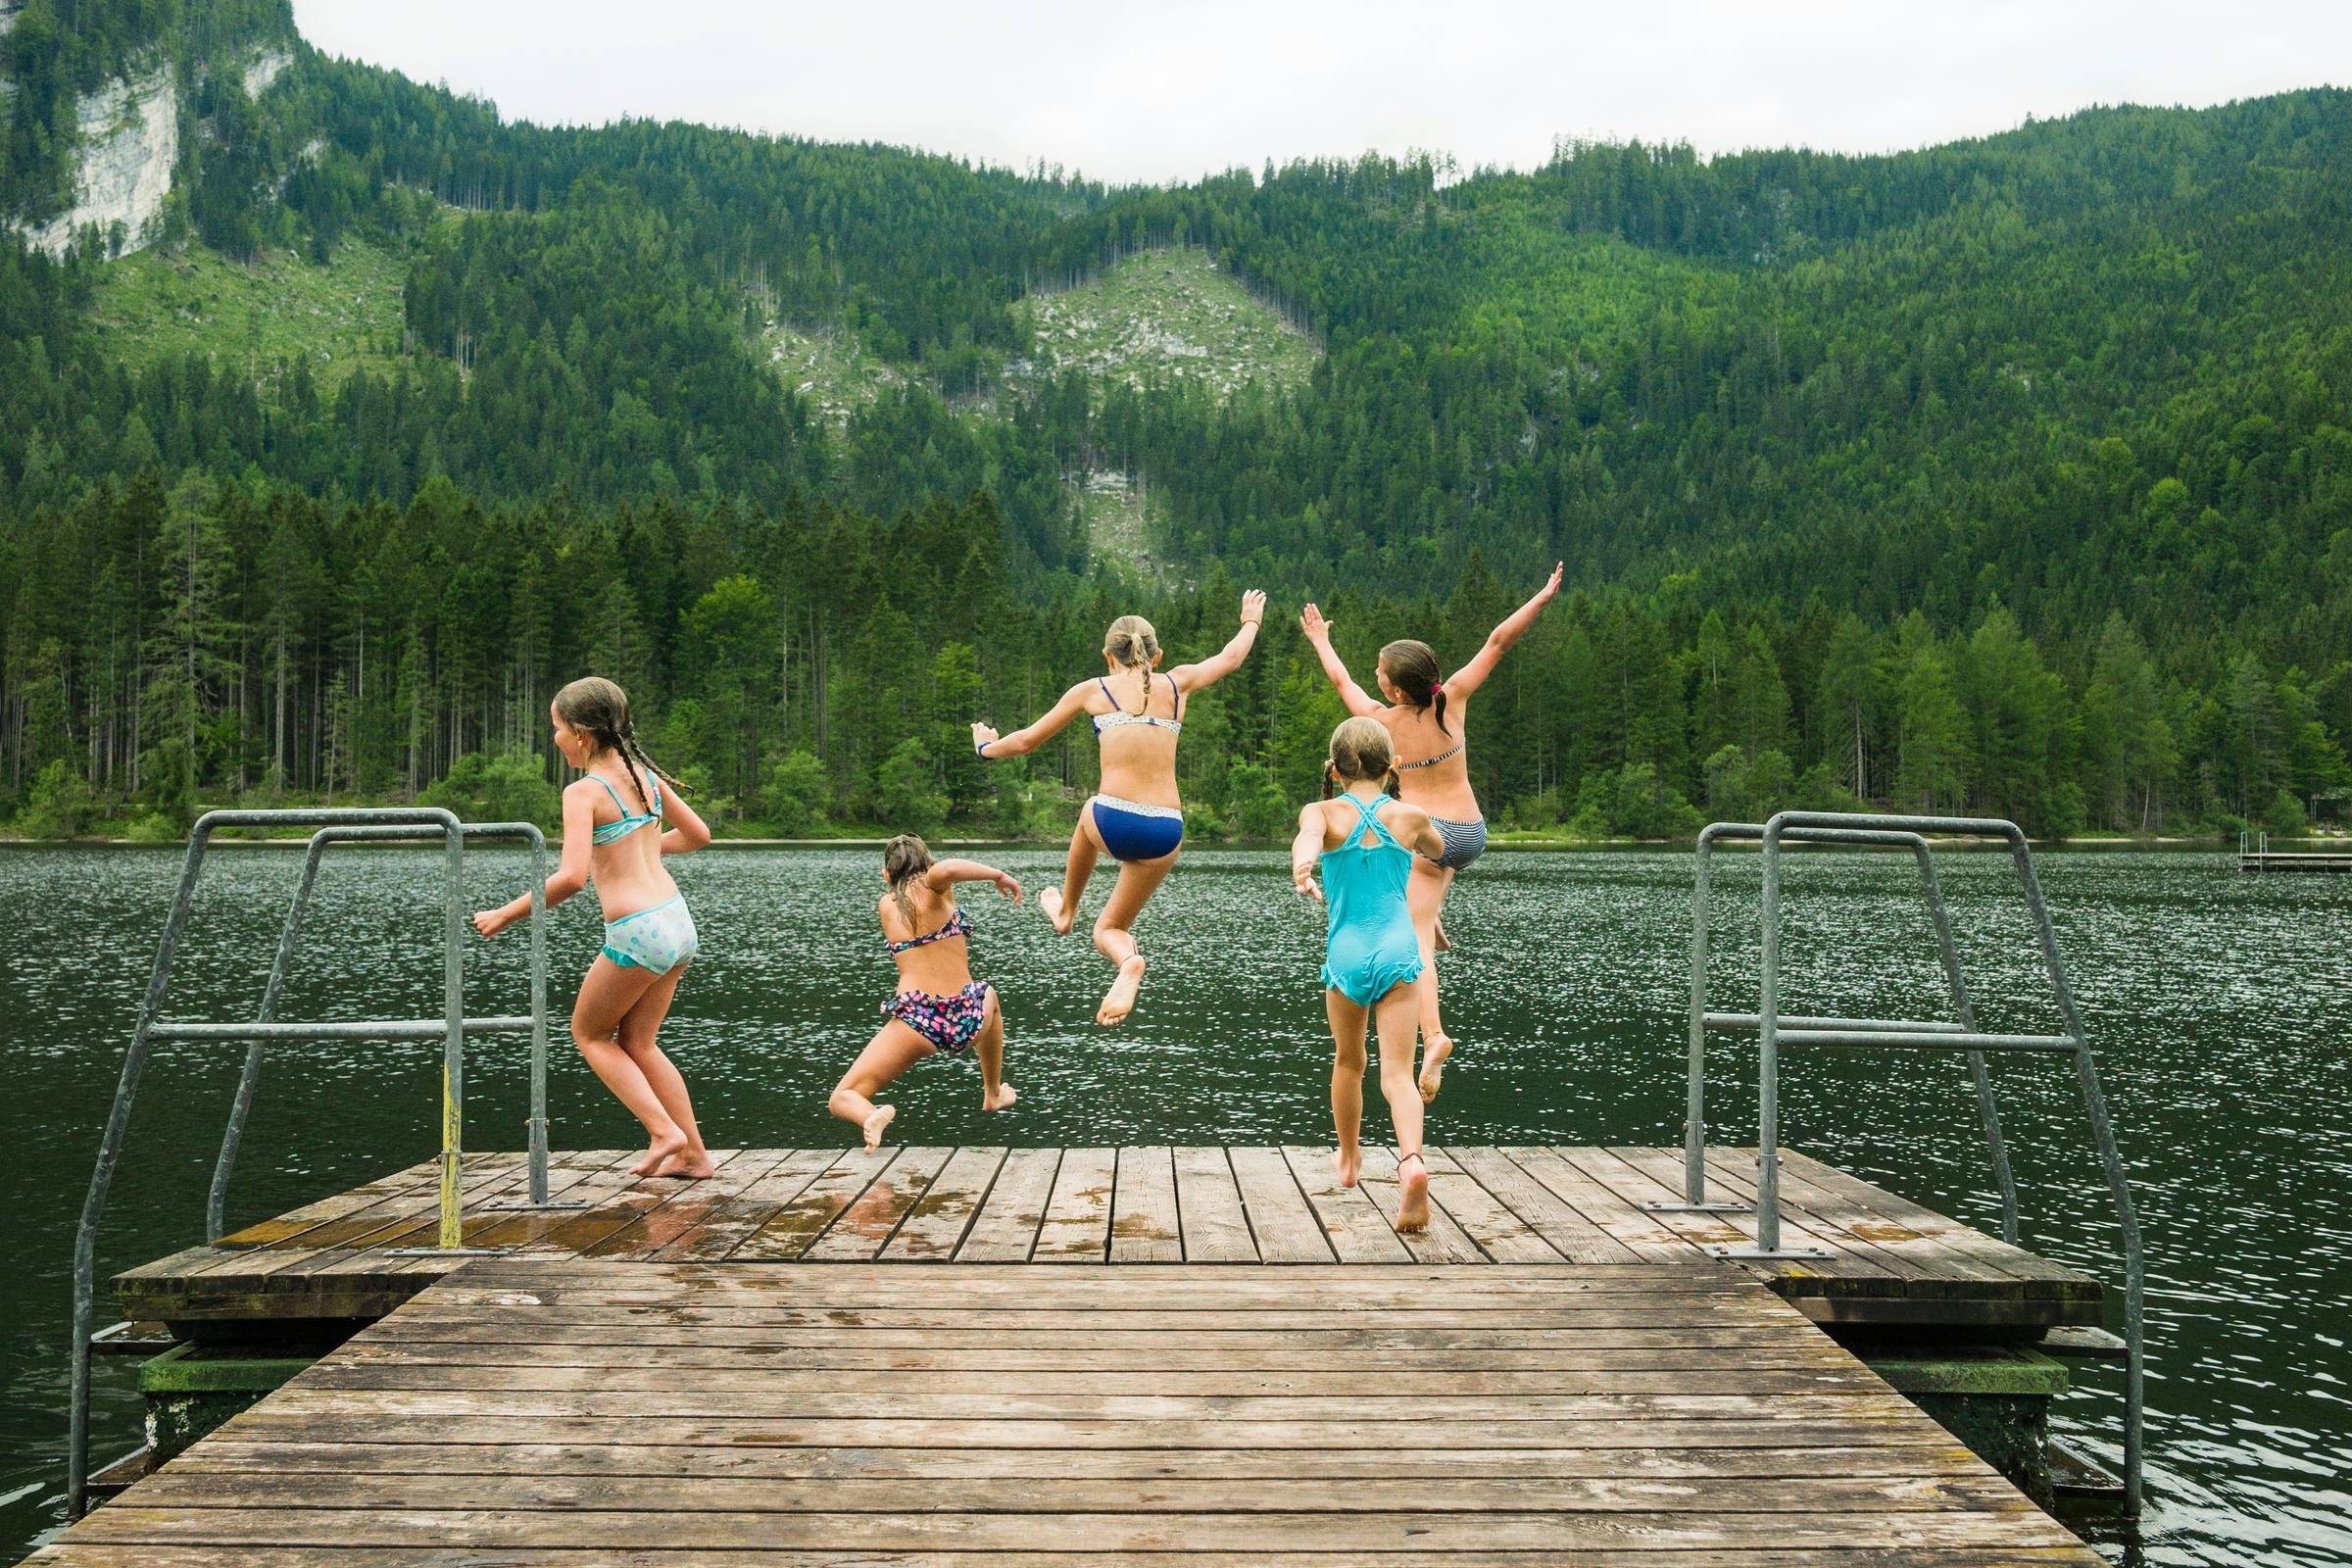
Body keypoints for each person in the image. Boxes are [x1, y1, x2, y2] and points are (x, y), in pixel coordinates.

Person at [1298, 562, 1562, 1100]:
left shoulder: (1381, 722)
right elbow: (1497, 642)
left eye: (1381, 672)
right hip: (1471, 833)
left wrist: (1321, 639)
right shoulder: (1452, 699)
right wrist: (1540, 597)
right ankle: (1433, 913)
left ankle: (1435, 1036)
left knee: (1412, 937)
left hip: (1427, 836)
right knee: (1429, 892)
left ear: (1395, 690)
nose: (1374, 676)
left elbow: (1339, 680)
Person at [971, 590, 1267, 1025]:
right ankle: (1129, 960)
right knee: (1109, 929)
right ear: (1157, 654)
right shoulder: (1178, 682)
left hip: (1112, 819)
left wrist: (985, 748)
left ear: (1108, 656)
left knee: (1091, 807)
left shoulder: (1093, 690)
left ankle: (1067, 911)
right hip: (1167, 831)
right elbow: (1230, 658)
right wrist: (1250, 621)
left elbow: (1027, 741)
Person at [473, 676, 715, 1179]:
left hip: (637, 931)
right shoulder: (645, 777)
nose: (556, 739)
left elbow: (571, 880)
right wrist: (639, 848)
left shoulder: (584, 791)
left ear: (582, 733)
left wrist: (504, 914)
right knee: (641, 1043)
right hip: (676, 921)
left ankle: (662, 1131)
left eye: (557, 729)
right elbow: (698, 835)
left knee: (589, 1034)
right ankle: (693, 1155)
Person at [1292, 716, 1447, 1234]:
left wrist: (1305, 864)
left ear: (1334, 771)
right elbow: (1442, 851)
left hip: (1347, 954)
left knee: (1349, 1060)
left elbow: (1309, 838)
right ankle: (1412, 1163)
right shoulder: (1409, 816)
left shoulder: (1322, 810)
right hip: (1401, 952)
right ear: (1392, 767)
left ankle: (1350, 1158)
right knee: (1398, 1074)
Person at [830, 835, 1022, 1152]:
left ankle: (870, 1115)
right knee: (988, 994)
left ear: (887, 876)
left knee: (842, 1097)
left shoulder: (886, 904)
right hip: (968, 1017)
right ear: (928, 865)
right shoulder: (935, 884)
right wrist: (997, 875)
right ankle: (992, 1092)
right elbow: (947, 869)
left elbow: (923, 881)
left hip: (918, 1022)